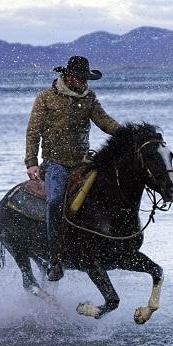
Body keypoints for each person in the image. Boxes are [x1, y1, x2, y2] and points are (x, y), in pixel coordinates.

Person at [25, 56, 121, 281]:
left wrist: (127, 134)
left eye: (86, 79)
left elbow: (105, 121)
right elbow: (33, 132)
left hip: (82, 162)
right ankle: (55, 258)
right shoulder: (46, 98)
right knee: (55, 201)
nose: (84, 83)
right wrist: (31, 162)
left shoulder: (89, 98)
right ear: (68, 76)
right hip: (55, 164)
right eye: (80, 78)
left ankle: (104, 245)